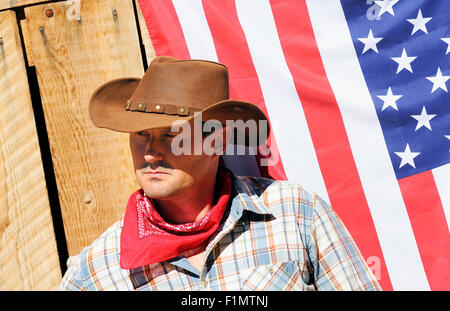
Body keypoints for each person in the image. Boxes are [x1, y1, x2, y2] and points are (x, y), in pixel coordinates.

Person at [59, 56, 381, 291]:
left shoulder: (295, 213)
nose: (151, 151)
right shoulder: (97, 271)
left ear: (217, 141)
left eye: (172, 135)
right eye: (140, 134)